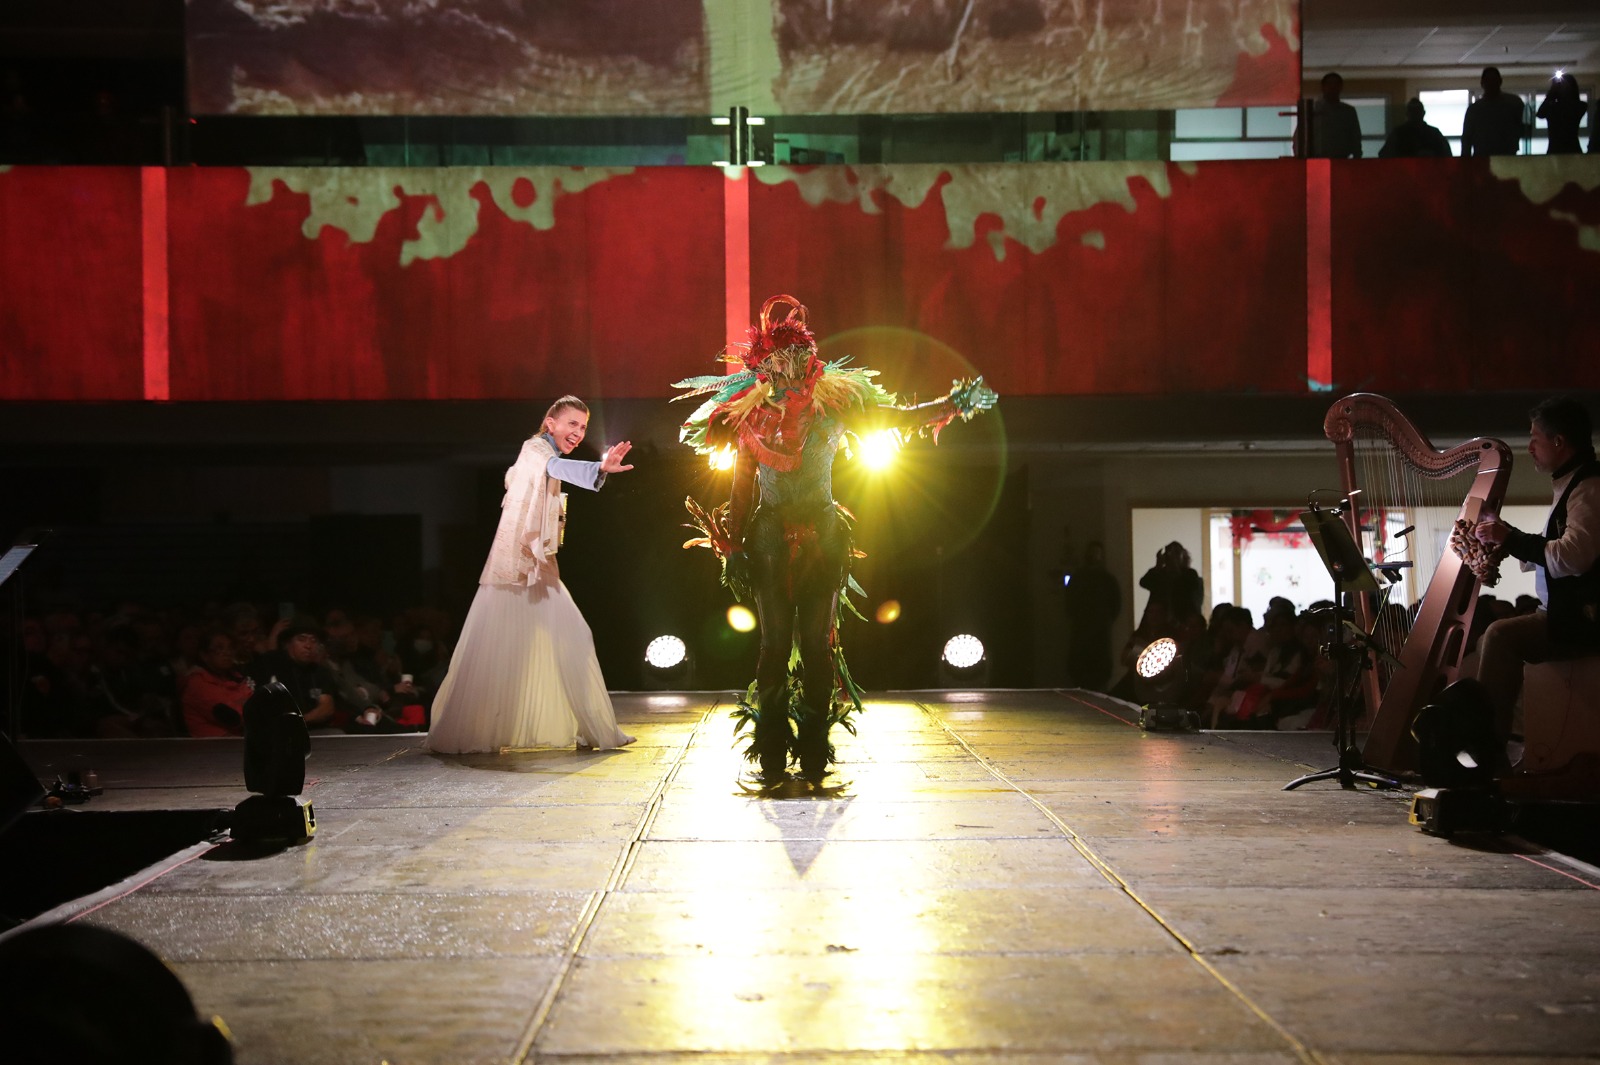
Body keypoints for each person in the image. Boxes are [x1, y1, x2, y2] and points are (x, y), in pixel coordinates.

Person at [675, 295, 995, 783]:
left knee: (817, 646)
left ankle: (813, 746)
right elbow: (741, 488)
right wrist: (735, 545)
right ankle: (772, 748)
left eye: (798, 360)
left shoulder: (834, 408)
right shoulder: (752, 419)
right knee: (773, 646)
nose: (791, 371)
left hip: (823, 535)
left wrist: (949, 405)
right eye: (781, 363)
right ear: (767, 368)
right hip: (769, 537)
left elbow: (894, 418)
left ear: (809, 361)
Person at [426, 396, 637, 753]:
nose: (578, 432)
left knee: (543, 643)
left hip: (534, 567)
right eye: (572, 424)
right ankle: (587, 730)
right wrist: (599, 468)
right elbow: (554, 468)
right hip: (516, 568)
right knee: (508, 648)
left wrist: (597, 472)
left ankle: (591, 729)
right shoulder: (536, 450)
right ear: (551, 423)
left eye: (583, 427)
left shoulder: (539, 453)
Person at [1473, 397, 1600, 745]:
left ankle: (1488, 748)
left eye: (1534, 438)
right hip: (1563, 613)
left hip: (1580, 620)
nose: (1529, 448)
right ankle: (1498, 737)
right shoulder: (1573, 482)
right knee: (1487, 639)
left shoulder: (1589, 487)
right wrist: (1507, 539)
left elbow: (1574, 557)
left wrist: (1510, 538)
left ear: (1558, 441)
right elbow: (1553, 548)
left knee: (1498, 637)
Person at [1063, 539, 1120, 691]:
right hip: (1084, 628)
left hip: (1098, 629)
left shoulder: (1106, 579)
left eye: (1098, 553)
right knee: (1082, 663)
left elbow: (1115, 604)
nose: (1095, 556)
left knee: (1098, 666)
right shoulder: (1080, 577)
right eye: (1093, 552)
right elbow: (1070, 602)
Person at [182, 629, 251, 737]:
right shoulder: (198, 685)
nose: (227, 652)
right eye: (219, 648)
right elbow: (234, 718)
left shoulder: (237, 677)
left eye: (230, 648)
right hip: (216, 745)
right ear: (204, 655)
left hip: (242, 739)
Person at [1462, 67, 1528, 157]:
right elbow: (1467, 138)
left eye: (1493, 80)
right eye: (1489, 80)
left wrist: (1466, 159)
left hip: (1499, 154)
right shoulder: (1513, 103)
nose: (1491, 83)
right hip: (1493, 155)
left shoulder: (1475, 109)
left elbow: (1467, 138)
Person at [1301, 72, 1363, 159]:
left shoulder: (1348, 111)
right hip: (1316, 159)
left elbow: (1355, 137)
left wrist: (1357, 159)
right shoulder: (1312, 110)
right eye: (1329, 84)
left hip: (1341, 159)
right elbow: (1300, 137)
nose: (1333, 87)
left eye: (1336, 84)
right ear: (1323, 87)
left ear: (1341, 87)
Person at [1379, 98, 1452, 158]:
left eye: (1417, 112)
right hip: (1410, 170)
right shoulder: (1434, 133)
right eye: (1413, 112)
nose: (1415, 115)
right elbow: (1385, 155)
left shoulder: (1398, 133)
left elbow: (1446, 155)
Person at [1537, 72, 1586, 155]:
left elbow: (1541, 113)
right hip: (1569, 149)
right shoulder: (1580, 106)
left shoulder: (1579, 106)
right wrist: (1551, 95)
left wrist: (1551, 94)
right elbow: (1540, 114)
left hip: (1558, 149)